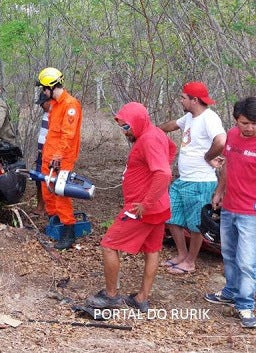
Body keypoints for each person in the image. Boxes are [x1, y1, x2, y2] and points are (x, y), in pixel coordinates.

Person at [86, 102, 176, 312]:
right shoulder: (156, 133)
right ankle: (141, 298)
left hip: (142, 209)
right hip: (159, 205)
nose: (125, 132)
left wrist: (146, 201)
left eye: (127, 127)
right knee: (152, 250)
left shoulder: (149, 139)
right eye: (123, 127)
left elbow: (164, 173)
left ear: (138, 121)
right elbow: (171, 151)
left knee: (109, 245)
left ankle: (111, 296)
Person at [158, 81, 226, 274]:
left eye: (183, 97)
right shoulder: (189, 117)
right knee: (171, 216)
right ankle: (181, 254)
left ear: (194, 100)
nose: (181, 100)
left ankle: (190, 261)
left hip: (200, 181)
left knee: (197, 224)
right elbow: (173, 125)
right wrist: (153, 129)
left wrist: (208, 157)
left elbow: (221, 141)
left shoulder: (209, 118)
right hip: (184, 179)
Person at [204, 97, 256, 328]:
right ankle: (231, 291)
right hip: (229, 207)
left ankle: (245, 305)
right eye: (245, 123)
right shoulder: (232, 136)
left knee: (246, 261)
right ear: (236, 120)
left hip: (251, 212)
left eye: (254, 123)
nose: (250, 128)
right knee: (229, 254)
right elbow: (227, 164)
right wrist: (219, 191)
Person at [36, 67, 82, 250]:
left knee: (61, 194)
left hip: (62, 159)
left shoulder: (71, 105)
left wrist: (57, 156)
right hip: (49, 158)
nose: (43, 92)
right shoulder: (55, 104)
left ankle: (68, 233)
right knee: (48, 192)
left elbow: (67, 136)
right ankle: (54, 225)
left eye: (43, 88)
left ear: (51, 86)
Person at [34, 92, 51, 216]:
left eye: (43, 103)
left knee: (49, 181)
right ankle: (40, 207)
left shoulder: (57, 114)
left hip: (50, 154)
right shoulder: (46, 114)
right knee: (38, 180)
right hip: (41, 153)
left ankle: (48, 208)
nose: (41, 106)